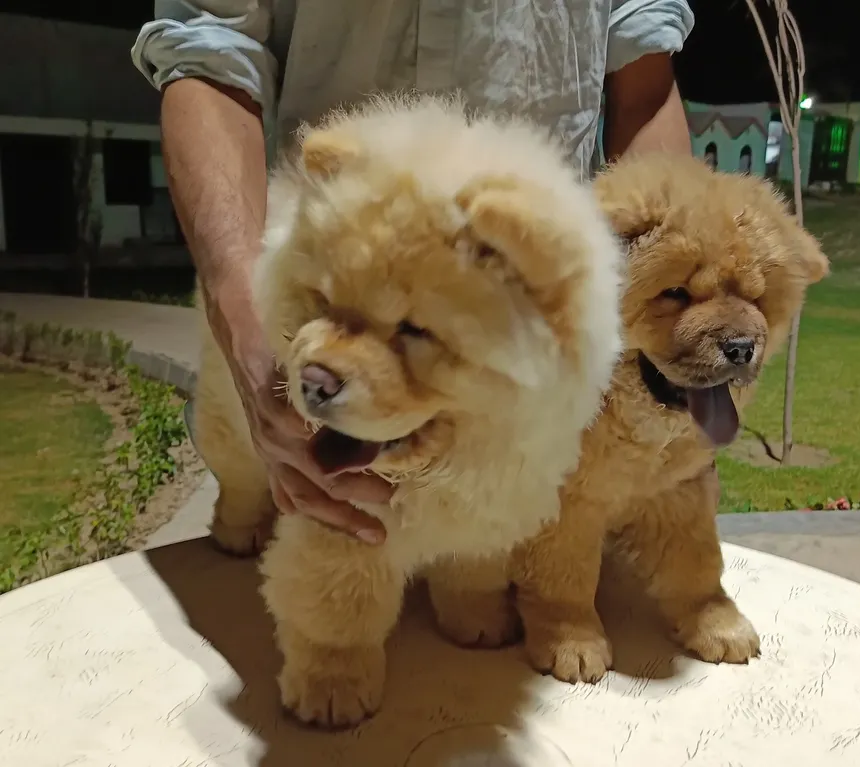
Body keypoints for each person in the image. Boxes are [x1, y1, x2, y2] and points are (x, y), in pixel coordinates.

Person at [132, 0, 695, 545]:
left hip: (526, 324)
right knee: (330, 541)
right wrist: (244, 311)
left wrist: (674, 303)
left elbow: (642, 83)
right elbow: (210, 52)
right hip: (328, 241)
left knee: (496, 566)